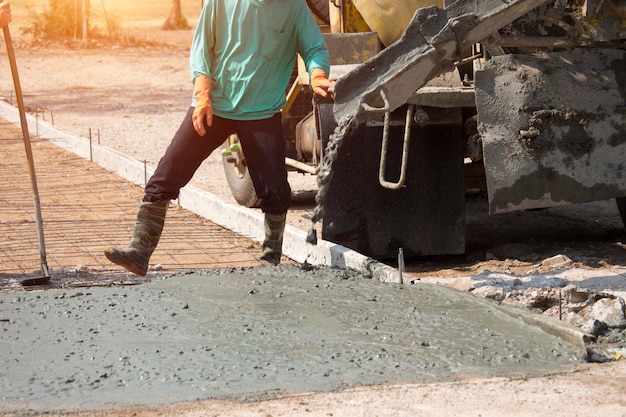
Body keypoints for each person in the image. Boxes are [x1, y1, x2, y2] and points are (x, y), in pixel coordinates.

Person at [105, 0, 334, 275]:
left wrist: (318, 75)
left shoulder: (293, 7)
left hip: (261, 110)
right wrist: (202, 97)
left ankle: (270, 263)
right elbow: (202, 50)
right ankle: (139, 252)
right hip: (213, 106)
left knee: (275, 190)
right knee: (167, 173)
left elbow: (314, 49)